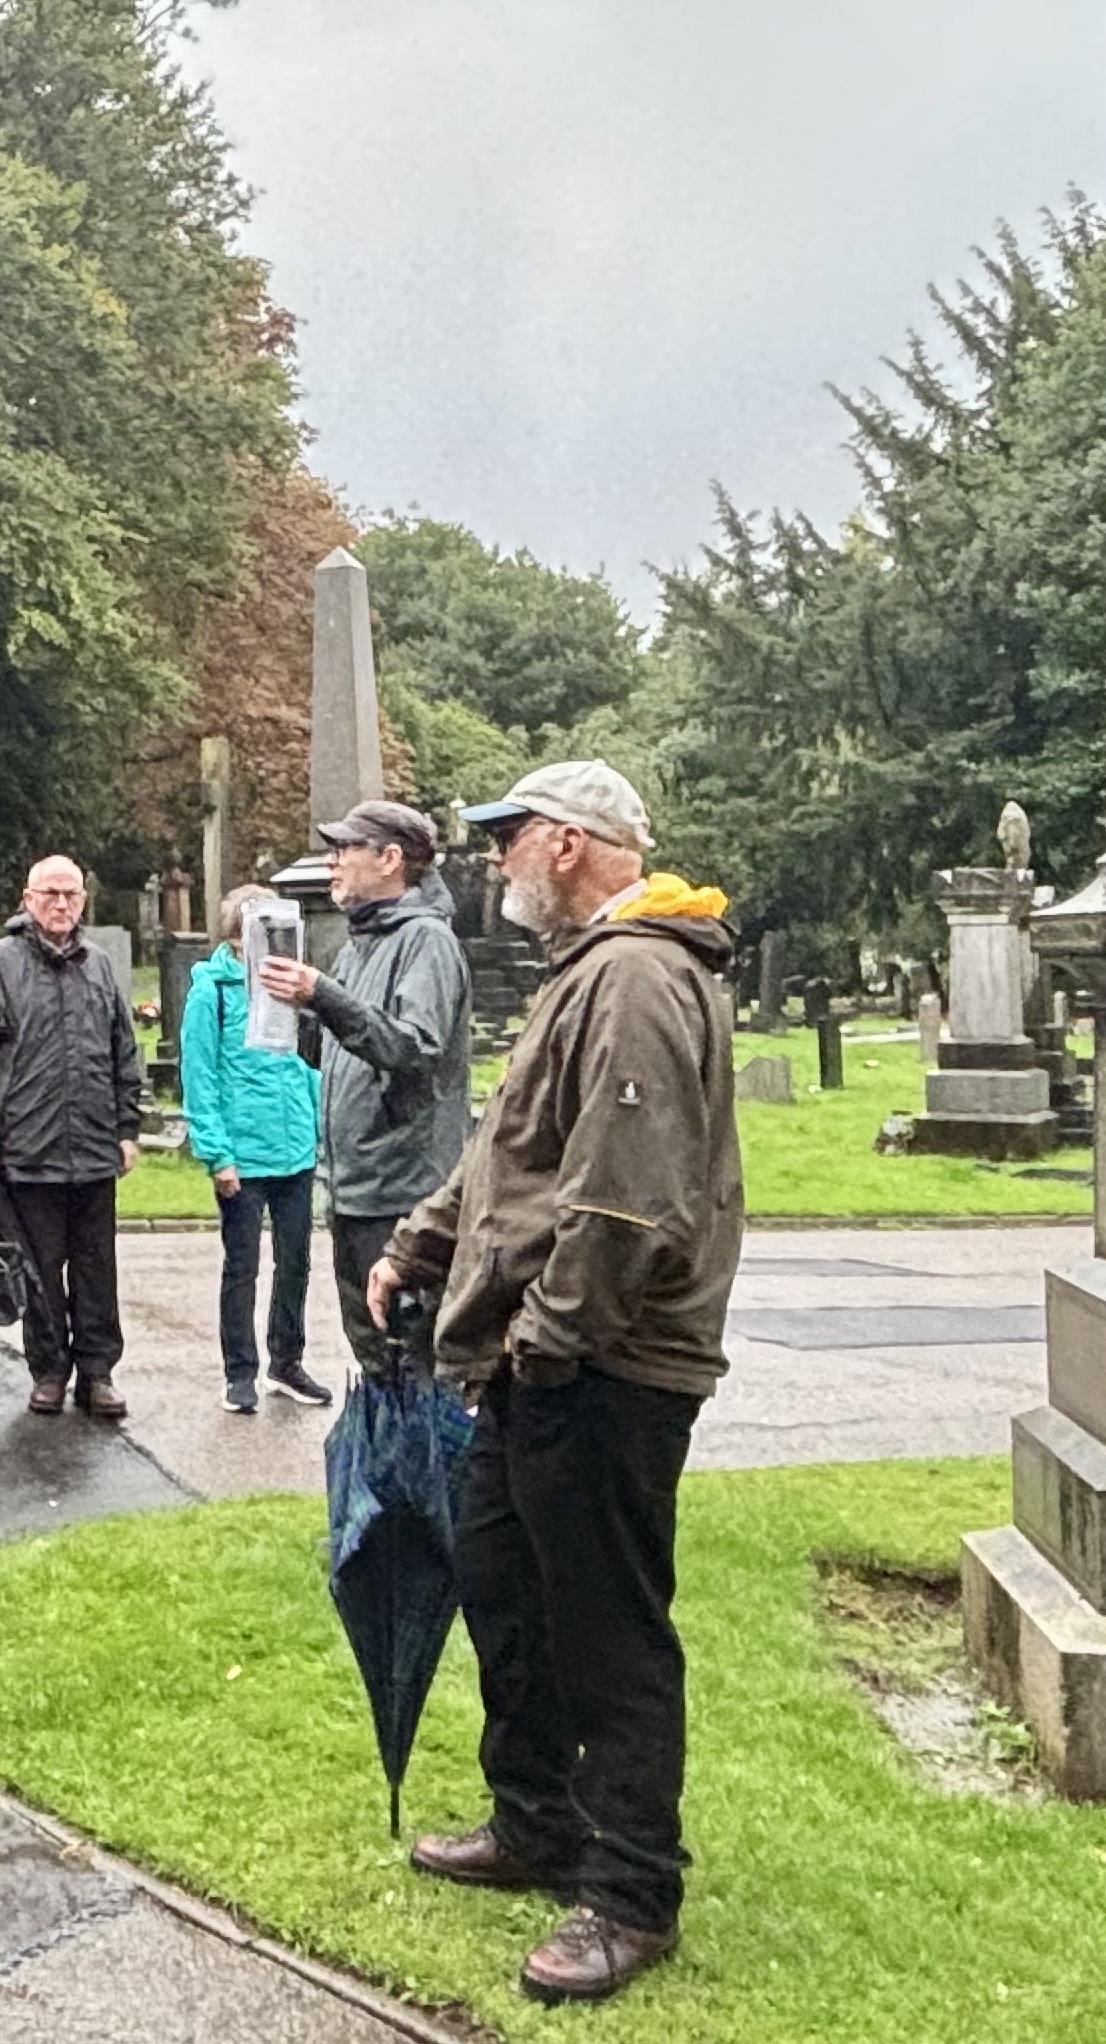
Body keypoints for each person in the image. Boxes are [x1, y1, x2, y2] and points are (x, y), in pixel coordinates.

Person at [366, 761, 739, 2008]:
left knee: (608, 1627)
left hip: (604, 1368)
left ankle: (632, 1892)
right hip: (539, 1362)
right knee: (502, 1583)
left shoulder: (637, 975)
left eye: (510, 837)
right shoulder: (591, 971)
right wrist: (421, 1241)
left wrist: (548, 1340)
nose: (495, 857)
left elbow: (627, 1196)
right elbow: (506, 1153)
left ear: (571, 844)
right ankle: (535, 1821)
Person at [258, 797, 469, 1382]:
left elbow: (414, 1048)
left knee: (412, 1363)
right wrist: (282, 1013)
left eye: (343, 849)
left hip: (404, 1194)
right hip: (354, 1192)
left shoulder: (426, 941)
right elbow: (345, 1048)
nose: (331, 862)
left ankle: (422, 1472)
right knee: (377, 1360)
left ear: (390, 859)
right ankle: (385, 1471)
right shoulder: (360, 945)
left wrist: (322, 996)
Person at [0, 855, 142, 1418]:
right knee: (38, 1272)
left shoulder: (99, 966)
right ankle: (50, 1370)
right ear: (27, 899)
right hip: (27, 1155)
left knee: (98, 1269)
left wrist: (128, 1127)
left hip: (95, 1151)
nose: (61, 904)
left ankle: (98, 1372)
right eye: (50, 893)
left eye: (71, 894)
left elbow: (124, 1051)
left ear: (83, 900)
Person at [179, 883, 325, 1416]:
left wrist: (318, 1131)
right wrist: (218, 1154)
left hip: (295, 1152)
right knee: (242, 1267)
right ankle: (239, 1373)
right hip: (242, 1156)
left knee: (297, 1263)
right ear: (237, 933)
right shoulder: (211, 993)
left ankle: (286, 1363)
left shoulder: (287, 987)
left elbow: (304, 1068)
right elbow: (199, 1079)